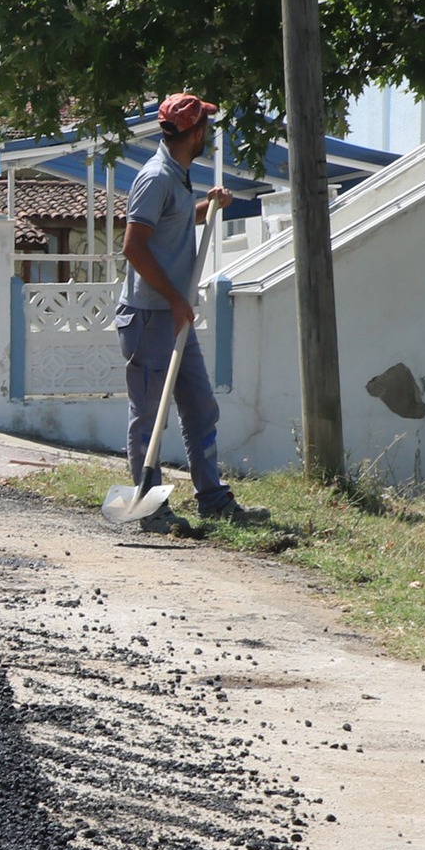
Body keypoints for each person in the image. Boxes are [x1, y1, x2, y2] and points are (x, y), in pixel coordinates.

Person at [117, 93, 269, 534]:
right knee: (149, 416)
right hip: (149, 317)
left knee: (201, 408)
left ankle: (213, 499)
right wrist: (175, 299)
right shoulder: (157, 177)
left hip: (172, 316)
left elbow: (173, 223)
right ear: (196, 131)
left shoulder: (179, 176)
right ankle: (150, 508)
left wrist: (209, 206)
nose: (208, 132)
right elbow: (134, 247)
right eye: (206, 125)